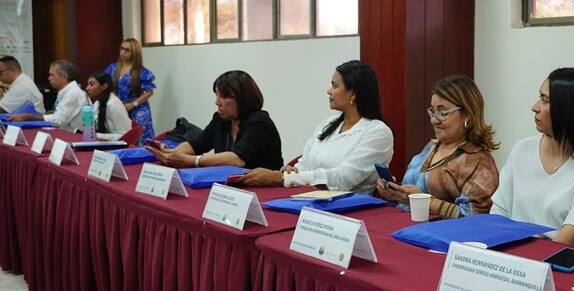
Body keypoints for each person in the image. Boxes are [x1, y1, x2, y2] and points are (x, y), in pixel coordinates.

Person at [491, 68, 574, 247]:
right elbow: (498, 213)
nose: (535, 106)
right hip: (515, 256)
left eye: (545, 100)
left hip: (566, 262)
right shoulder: (522, 149)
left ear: (569, 109)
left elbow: (566, 239)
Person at [237, 60, 393, 192]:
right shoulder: (328, 124)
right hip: (311, 199)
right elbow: (305, 164)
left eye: (335, 86)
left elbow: (345, 178)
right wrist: (293, 171)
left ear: (353, 94)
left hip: (352, 210)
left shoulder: (377, 132)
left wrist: (285, 178)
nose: (329, 91)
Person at [376, 75, 499, 219]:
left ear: (467, 115)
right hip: (405, 226)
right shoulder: (431, 147)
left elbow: (473, 216)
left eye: (443, 113)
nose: (434, 120)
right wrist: (393, 192)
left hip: (443, 236)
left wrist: (423, 200)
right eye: (433, 111)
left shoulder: (479, 162)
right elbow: (408, 196)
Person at [146, 70, 282, 170]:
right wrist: (173, 153)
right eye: (216, 94)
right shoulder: (221, 119)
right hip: (232, 188)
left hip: (265, 191)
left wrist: (192, 161)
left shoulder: (259, 122)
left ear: (243, 99)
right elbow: (197, 145)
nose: (217, 102)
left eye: (224, 97)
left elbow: (237, 159)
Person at [8, 59, 87, 132]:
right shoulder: (67, 91)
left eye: (52, 75)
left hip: (73, 138)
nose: (49, 78)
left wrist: (29, 117)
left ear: (64, 77)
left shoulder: (73, 93)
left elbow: (59, 120)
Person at [105, 38, 156, 139]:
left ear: (135, 52)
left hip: (138, 109)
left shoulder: (141, 71)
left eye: (127, 50)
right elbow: (107, 86)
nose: (123, 52)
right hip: (118, 107)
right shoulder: (112, 68)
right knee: (120, 136)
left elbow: (149, 92)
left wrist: (133, 104)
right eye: (122, 49)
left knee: (140, 138)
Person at [85, 72, 132, 140]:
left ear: (104, 86)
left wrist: (100, 136)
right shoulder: (97, 103)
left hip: (117, 148)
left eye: (91, 84)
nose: (87, 88)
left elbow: (126, 135)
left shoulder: (114, 105)